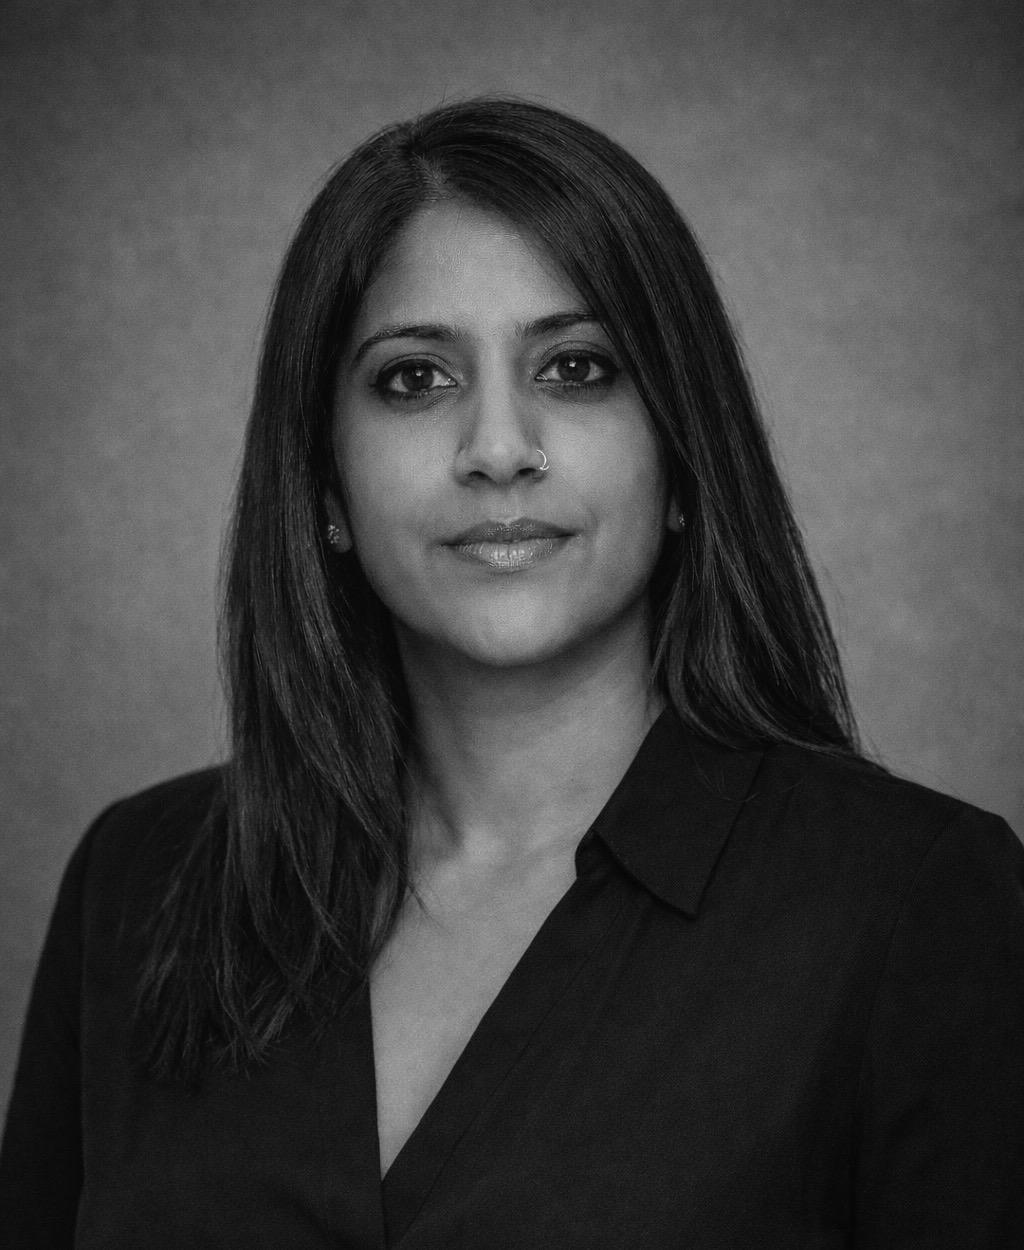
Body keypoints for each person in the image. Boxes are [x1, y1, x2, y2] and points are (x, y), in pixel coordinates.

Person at [2, 96, 1022, 1249]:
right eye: (414, 379)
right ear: (325, 482)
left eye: (577, 367)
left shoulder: (908, 899)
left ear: (681, 454)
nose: (497, 447)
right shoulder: (139, 883)